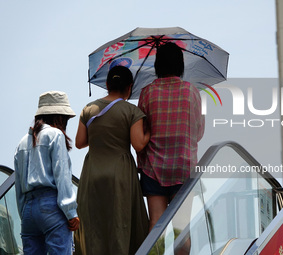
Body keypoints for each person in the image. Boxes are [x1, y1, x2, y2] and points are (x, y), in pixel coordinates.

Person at [74, 65, 150, 255]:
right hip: (120, 174)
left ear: (107, 84)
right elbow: (138, 144)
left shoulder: (88, 109)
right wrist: (149, 132)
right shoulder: (132, 111)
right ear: (129, 87)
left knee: (94, 224)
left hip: (92, 173)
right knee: (120, 223)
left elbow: (80, 142)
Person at [137, 42, 205, 234]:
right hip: (184, 167)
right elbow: (198, 134)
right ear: (180, 64)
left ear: (158, 65)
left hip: (153, 169)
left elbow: (141, 133)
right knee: (182, 229)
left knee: (155, 225)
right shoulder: (193, 92)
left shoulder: (147, 92)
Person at [14, 91, 80, 255]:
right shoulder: (55, 135)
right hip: (51, 205)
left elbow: (19, 186)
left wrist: (25, 214)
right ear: (59, 116)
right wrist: (71, 212)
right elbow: (62, 175)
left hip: (28, 210)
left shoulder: (22, 143)